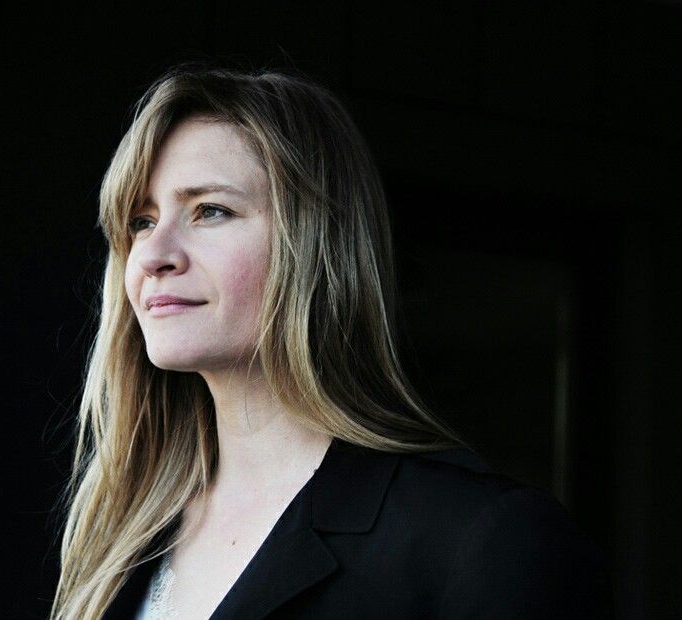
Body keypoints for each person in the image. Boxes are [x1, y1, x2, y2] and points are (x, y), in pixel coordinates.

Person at [50, 63, 611, 619]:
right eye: (142, 222)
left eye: (210, 211)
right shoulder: (121, 535)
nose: (152, 255)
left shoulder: (479, 540)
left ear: (316, 244)